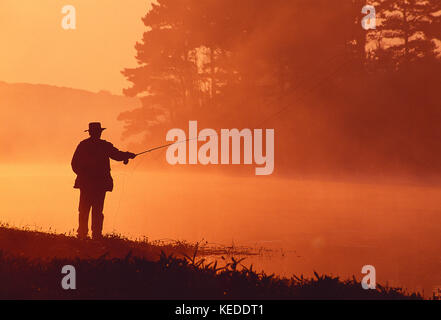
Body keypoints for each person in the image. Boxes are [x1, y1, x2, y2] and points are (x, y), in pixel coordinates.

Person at [71, 122, 136, 240]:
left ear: (90, 132)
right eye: (98, 131)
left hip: (86, 184)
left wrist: (83, 176)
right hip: (100, 184)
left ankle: (82, 234)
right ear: (99, 132)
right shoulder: (104, 145)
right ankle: (96, 235)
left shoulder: (83, 145)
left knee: (84, 209)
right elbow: (117, 155)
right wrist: (128, 155)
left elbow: (74, 164)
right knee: (97, 210)